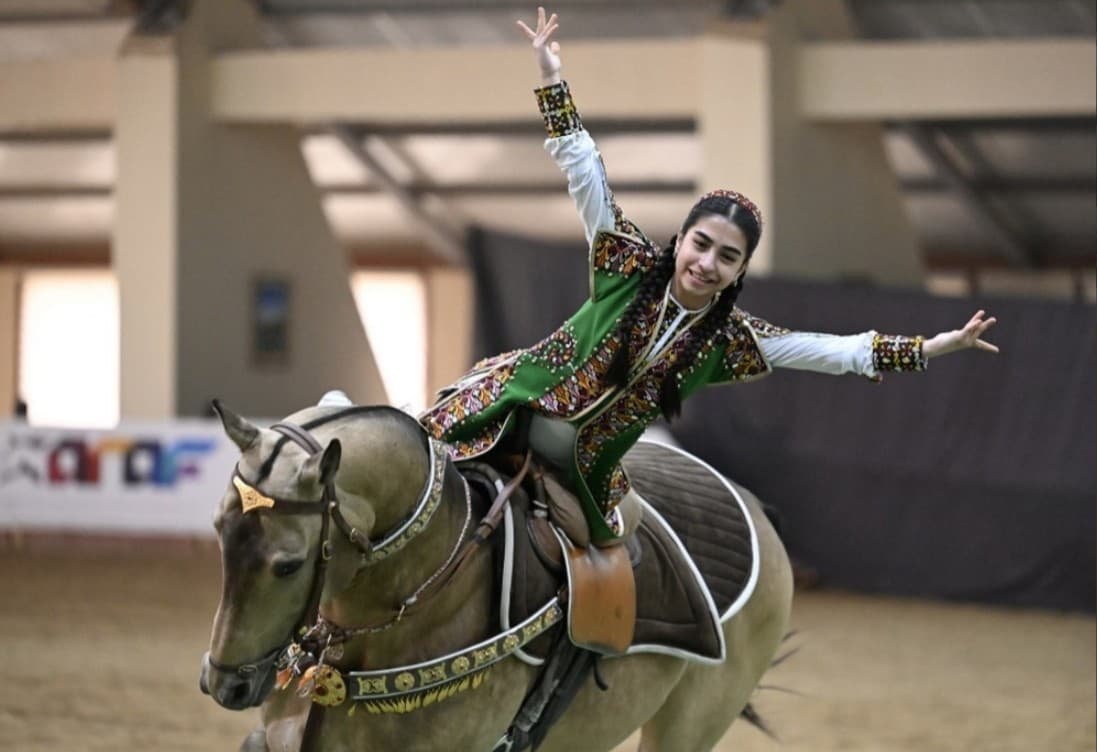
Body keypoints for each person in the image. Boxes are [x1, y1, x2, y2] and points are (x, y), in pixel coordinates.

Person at [419, 7, 998, 546]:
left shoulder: (731, 341)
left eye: (727, 256)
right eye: (701, 244)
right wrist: (551, 77)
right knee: (408, 459)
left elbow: (832, 352)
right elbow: (583, 167)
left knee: (608, 547)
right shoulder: (625, 260)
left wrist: (927, 348)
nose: (706, 263)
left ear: (740, 270)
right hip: (513, 402)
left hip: (584, 464)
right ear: (680, 241)